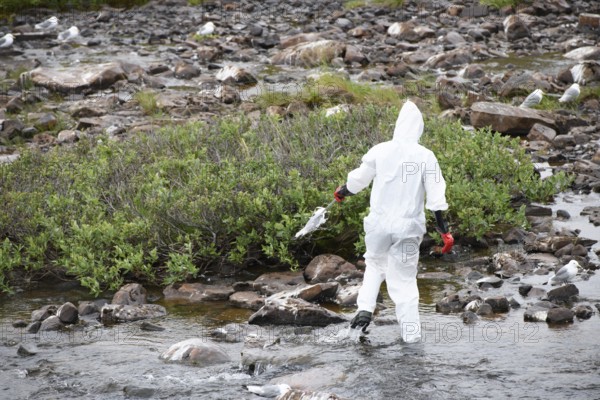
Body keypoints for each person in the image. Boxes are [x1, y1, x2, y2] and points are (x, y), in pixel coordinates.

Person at [333, 100, 454, 343]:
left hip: (378, 225)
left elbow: (358, 181)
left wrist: (342, 192)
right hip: (408, 228)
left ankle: (365, 308)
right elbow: (436, 199)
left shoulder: (380, 150)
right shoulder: (426, 156)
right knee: (405, 282)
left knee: (375, 264)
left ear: (398, 125)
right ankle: (411, 339)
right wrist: (445, 233)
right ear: (419, 128)